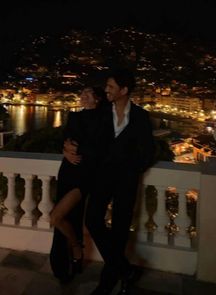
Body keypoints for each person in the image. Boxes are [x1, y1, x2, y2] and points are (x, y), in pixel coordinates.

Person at [85, 68, 156, 295]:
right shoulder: (102, 112)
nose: (106, 90)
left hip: (126, 180)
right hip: (102, 178)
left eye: (111, 87)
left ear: (124, 90)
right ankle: (125, 269)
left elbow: (148, 151)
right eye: (106, 86)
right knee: (93, 219)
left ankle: (108, 281)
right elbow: (89, 138)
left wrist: (133, 169)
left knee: (120, 229)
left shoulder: (141, 116)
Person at [49, 86, 107, 284]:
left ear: (97, 99)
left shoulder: (104, 119)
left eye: (88, 93)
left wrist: (77, 147)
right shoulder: (74, 117)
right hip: (66, 172)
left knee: (56, 217)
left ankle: (76, 248)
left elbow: (100, 149)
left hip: (84, 176)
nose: (83, 95)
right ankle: (64, 264)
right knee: (67, 218)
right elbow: (62, 139)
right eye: (82, 93)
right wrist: (64, 150)